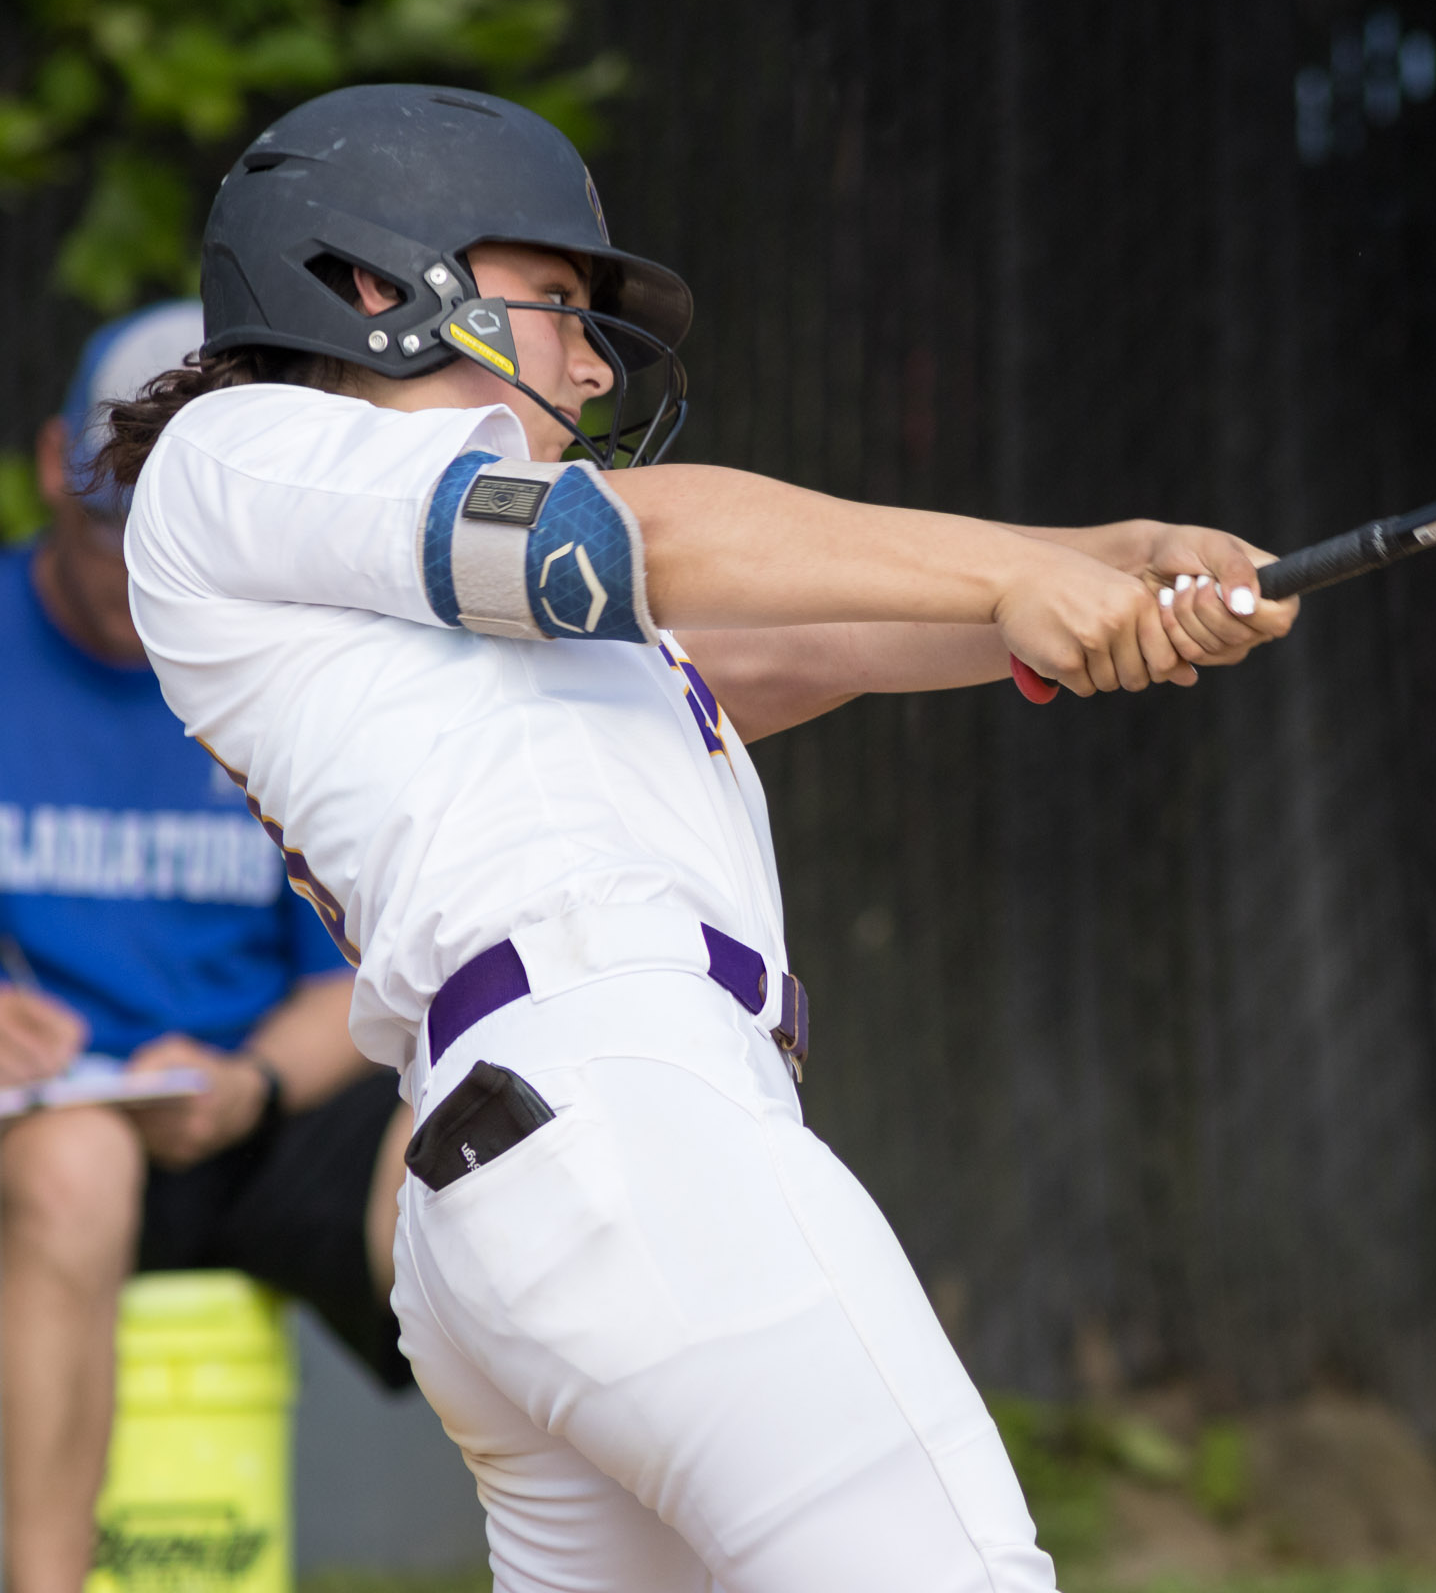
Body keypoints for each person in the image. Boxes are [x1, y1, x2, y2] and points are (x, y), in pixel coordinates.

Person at [107, 85, 1297, 1591]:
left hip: (556, 1157)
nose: (594, 361)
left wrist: (1105, 569)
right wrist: (1010, 574)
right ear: (370, 283)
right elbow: (639, 536)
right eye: (558, 303)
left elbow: (804, 637)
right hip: (618, 1109)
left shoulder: (456, 604)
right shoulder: (248, 452)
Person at [0, 300, 416, 1593]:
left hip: (249, 1104)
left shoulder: (295, 669)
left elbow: (363, 967)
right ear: (44, 472)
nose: (132, 577)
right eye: (106, 524)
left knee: (481, 1152)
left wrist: (254, 1086)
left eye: (168, 539)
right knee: (75, 1165)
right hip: (46, 1133)